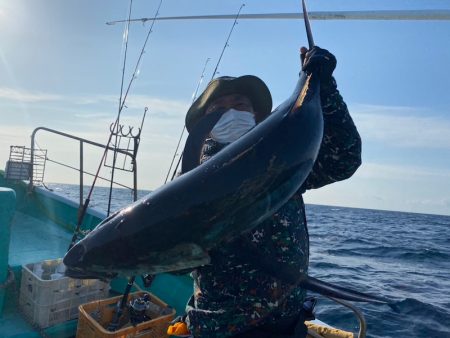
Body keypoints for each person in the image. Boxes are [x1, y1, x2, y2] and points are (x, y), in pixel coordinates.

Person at [177, 46, 362, 338]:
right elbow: (172, 259)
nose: (231, 112)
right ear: (205, 124)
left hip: (287, 323)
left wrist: (324, 87)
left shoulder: (280, 161)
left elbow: (344, 158)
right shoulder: (189, 181)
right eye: (219, 108)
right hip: (221, 328)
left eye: (240, 104)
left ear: (255, 114)